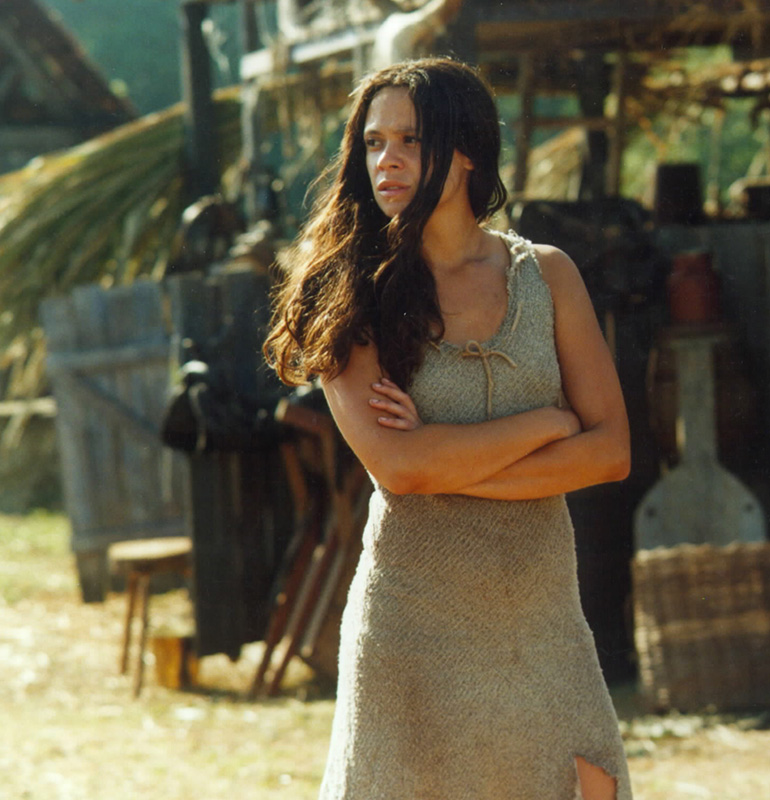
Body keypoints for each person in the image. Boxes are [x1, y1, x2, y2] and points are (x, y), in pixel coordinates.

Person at [263, 57, 632, 800]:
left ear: (465, 151)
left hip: (542, 619)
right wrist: (547, 422)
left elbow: (610, 453)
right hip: (412, 625)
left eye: (410, 139)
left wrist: (448, 463)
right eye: (373, 143)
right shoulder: (346, 292)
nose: (387, 160)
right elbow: (400, 471)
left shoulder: (548, 276)